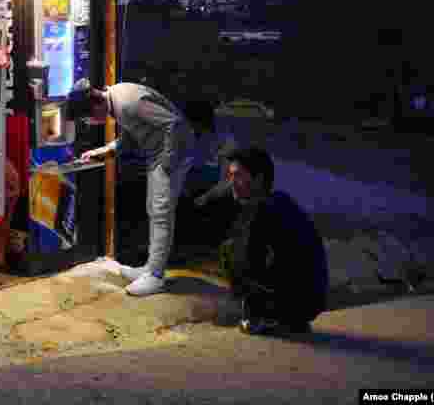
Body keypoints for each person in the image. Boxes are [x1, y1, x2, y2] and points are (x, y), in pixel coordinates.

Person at [67, 79, 198, 296]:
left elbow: (173, 124)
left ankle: (155, 276)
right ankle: (150, 268)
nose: (91, 122)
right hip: (160, 153)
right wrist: (105, 150)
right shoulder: (118, 101)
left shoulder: (129, 102)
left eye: (88, 117)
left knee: (161, 212)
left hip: (172, 153)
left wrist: (167, 162)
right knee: (154, 210)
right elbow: (131, 133)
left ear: (96, 103)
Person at [222, 146, 329, 335]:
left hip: (293, 301)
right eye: (230, 176)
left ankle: (262, 318)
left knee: (230, 250)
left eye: (238, 176)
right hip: (312, 301)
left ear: (259, 178)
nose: (232, 182)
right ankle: (288, 318)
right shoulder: (281, 201)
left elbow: (251, 262)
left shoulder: (260, 210)